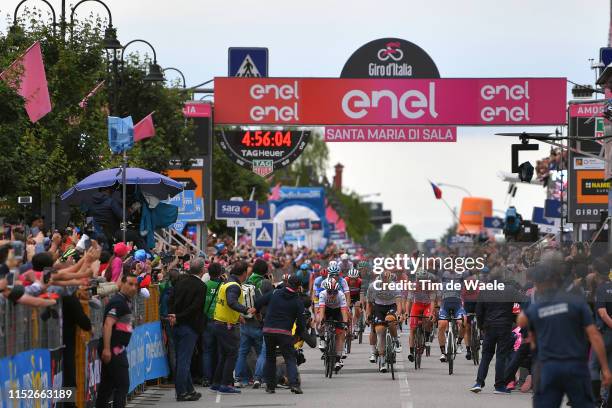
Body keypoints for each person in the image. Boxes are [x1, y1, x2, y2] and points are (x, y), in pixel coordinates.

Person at [521, 259, 612, 407]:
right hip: (575, 367)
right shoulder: (577, 303)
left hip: (548, 367)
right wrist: (606, 369)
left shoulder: (540, 306)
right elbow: (594, 336)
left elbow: (522, 321)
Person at [469, 272, 521, 394]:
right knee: (501, 356)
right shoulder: (511, 290)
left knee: (486, 356)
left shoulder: (485, 290)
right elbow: (518, 307)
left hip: (489, 327)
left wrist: (482, 326)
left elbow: (479, 311)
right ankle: (499, 386)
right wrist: (514, 320)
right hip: (505, 327)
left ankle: (479, 382)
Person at [254, 275, 307, 394]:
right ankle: (294, 385)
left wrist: (258, 314)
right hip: (285, 333)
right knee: (290, 358)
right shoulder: (298, 301)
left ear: (287, 283)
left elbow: (258, 302)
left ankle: (270, 386)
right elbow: (301, 323)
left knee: (270, 358)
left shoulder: (274, 293)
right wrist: (297, 335)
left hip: (268, 330)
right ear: (298, 288)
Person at [211, 261, 256, 395]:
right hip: (226, 325)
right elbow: (231, 302)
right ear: (243, 274)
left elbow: (225, 304)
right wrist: (246, 309)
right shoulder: (234, 286)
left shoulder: (227, 282)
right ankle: (225, 384)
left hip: (221, 322)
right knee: (231, 354)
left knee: (225, 355)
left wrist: (237, 316)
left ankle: (217, 383)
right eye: (247, 273)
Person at [95, 272, 139, 408]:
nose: (133, 288)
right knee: (122, 385)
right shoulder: (119, 302)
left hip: (116, 348)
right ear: (122, 284)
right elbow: (108, 324)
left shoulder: (123, 301)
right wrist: (107, 349)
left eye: (136, 285)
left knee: (107, 386)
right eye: (130, 284)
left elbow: (120, 321)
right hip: (114, 349)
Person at [168, 258, 207, 402]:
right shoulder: (201, 287)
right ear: (202, 270)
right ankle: (181, 392)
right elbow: (195, 308)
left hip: (177, 325)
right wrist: (177, 316)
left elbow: (170, 299)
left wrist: (172, 315)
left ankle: (189, 389)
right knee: (184, 360)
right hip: (189, 326)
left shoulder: (180, 281)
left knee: (182, 358)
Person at [235, 259, 270, 388]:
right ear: (265, 271)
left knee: (242, 352)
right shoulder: (265, 283)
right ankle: (258, 378)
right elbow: (270, 301)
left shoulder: (246, 282)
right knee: (262, 351)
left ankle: (238, 378)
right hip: (258, 322)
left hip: (245, 321)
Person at [366, 270, 403, 370]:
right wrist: (367, 315)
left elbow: (399, 303)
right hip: (379, 307)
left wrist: (399, 314)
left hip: (391, 306)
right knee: (379, 330)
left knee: (390, 320)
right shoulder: (373, 286)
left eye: (388, 282)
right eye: (383, 282)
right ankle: (382, 358)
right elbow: (369, 303)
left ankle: (396, 340)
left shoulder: (395, 287)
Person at [591, 258, 612, 405]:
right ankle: (606, 399)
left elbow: (603, 313)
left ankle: (595, 399)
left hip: (604, 333)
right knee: (610, 367)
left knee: (593, 366)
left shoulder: (601, 289)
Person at [437, 268, 469, 363]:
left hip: (458, 306)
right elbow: (438, 298)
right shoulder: (441, 285)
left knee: (463, 321)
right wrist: (437, 307)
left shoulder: (461, 285)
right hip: (445, 306)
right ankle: (443, 352)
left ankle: (459, 343)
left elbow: (466, 296)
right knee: (442, 325)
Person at [201, 263, 223, 387]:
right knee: (220, 351)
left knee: (207, 351)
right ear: (220, 272)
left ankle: (206, 378)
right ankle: (218, 378)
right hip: (220, 321)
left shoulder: (205, 285)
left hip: (208, 321)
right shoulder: (224, 286)